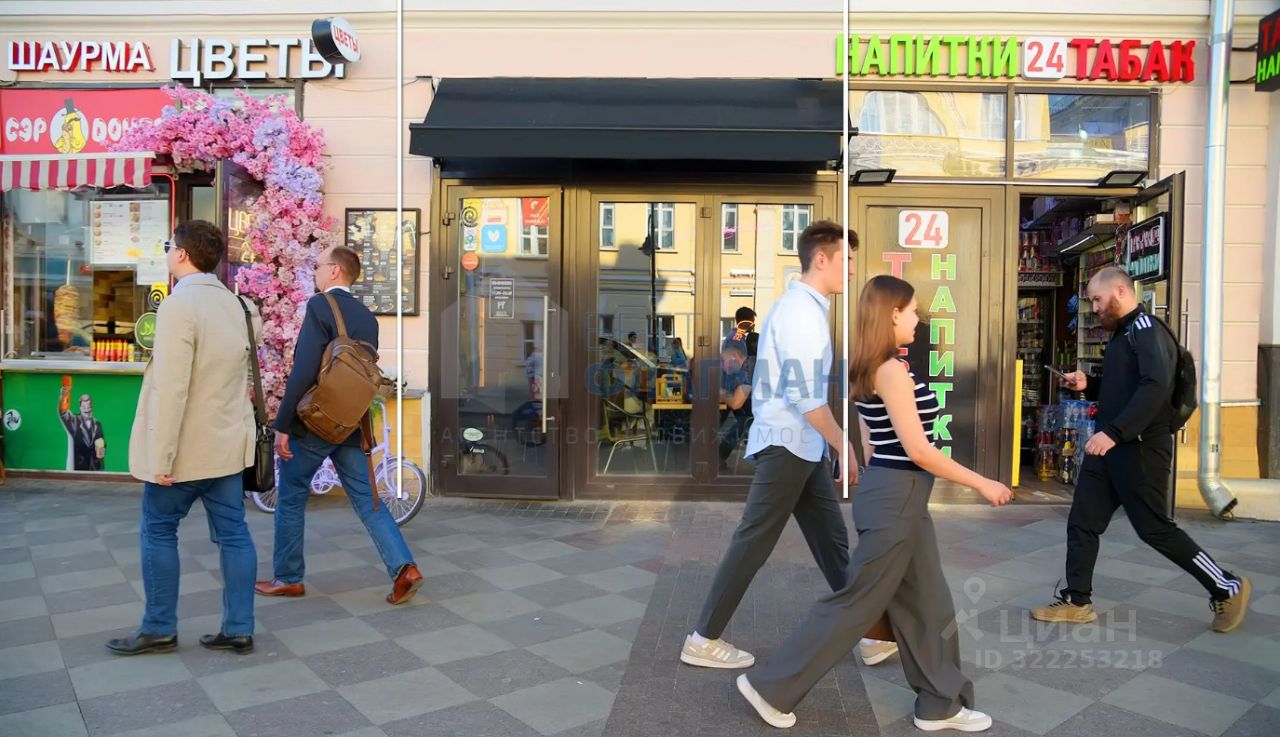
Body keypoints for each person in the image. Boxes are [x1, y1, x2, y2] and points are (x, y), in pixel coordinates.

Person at [737, 275, 1012, 732]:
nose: (919, 319)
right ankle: (770, 687)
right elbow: (918, 450)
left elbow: (870, 442)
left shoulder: (869, 367)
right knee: (855, 604)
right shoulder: (890, 370)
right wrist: (982, 483)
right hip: (898, 497)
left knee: (930, 604)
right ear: (893, 314)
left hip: (894, 496)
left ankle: (940, 705)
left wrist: (878, 486)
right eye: (914, 311)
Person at [681, 221, 870, 670]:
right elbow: (805, 397)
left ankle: (869, 632)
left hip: (801, 446)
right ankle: (703, 639)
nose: (852, 270)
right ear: (821, 259)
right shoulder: (801, 313)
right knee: (754, 541)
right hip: (788, 444)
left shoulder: (804, 308)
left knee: (832, 544)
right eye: (846, 260)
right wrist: (844, 443)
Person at [1032, 266, 1251, 632]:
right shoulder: (1122, 333)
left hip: (1141, 449)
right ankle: (1077, 601)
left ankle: (1227, 586)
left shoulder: (1146, 330)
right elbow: (1125, 388)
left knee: (1155, 529)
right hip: (1109, 448)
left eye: (1097, 299)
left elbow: (1155, 387)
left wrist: (1114, 433)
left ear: (1120, 291)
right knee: (1083, 521)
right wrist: (1089, 384)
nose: (1094, 307)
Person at [108, 220, 260, 656]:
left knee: (158, 530)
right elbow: (244, 379)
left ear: (182, 254)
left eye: (168, 246)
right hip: (227, 447)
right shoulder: (240, 306)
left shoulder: (178, 306)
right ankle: (239, 628)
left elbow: (172, 388)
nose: (167, 253)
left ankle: (159, 626)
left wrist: (162, 456)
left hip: (185, 450)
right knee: (234, 534)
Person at [256, 246, 424, 606]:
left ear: (334, 270)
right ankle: (404, 568)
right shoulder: (368, 317)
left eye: (318, 266)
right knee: (368, 500)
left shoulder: (320, 305)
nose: (314, 271)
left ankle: (288, 577)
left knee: (291, 495)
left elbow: (305, 368)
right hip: (351, 422)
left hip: (314, 423)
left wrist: (283, 423)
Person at [716, 338, 752, 470]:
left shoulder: (748, 370)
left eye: (723, 360)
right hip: (745, 409)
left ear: (734, 356)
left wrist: (717, 390)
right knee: (718, 415)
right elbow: (729, 394)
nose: (722, 365)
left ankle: (717, 458)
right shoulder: (737, 370)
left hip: (756, 416)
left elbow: (736, 403)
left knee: (738, 426)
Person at [59, 388, 105, 471]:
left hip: (95, 468)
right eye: (84, 407)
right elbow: (63, 412)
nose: (87, 409)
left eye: (89, 406)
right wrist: (64, 396)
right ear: (80, 407)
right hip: (78, 468)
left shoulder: (97, 424)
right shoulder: (73, 421)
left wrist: (102, 451)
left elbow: (102, 442)